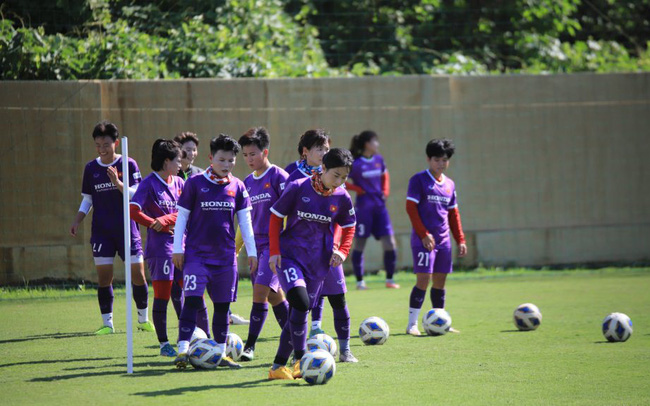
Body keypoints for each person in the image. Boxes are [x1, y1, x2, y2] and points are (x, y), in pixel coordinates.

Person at [268, 148, 357, 380]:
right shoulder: (298, 187)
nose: (339, 181)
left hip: (319, 264)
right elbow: (275, 217)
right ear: (323, 168)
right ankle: (300, 359)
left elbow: (349, 226)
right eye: (336, 175)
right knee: (300, 301)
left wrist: (343, 251)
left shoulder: (341, 197)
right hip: (290, 257)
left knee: (299, 313)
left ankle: (277, 367)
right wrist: (274, 252)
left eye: (344, 177)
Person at [171, 134, 257, 369]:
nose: (226, 165)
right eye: (222, 160)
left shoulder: (238, 186)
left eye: (231, 160)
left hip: (226, 259)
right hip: (196, 256)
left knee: (222, 307)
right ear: (211, 158)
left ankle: (219, 354)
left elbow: (245, 223)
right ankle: (182, 350)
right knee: (192, 301)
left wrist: (252, 252)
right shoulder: (194, 183)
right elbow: (181, 218)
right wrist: (178, 249)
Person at [69, 120, 154, 335]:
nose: (102, 149)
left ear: (116, 143)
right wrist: (77, 220)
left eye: (106, 144)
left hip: (127, 229)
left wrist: (118, 183)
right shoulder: (91, 168)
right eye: (98, 145)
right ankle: (107, 324)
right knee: (104, 278)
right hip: (102, 232)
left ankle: (143, 320)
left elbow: (137, 194)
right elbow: (88, 199)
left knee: (138, 275)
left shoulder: (129, 164)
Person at [129, 139, 210, 357]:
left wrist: (165, 220)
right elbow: (133, 210)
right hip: (160, 249)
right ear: (166, 162)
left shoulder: (180, 182)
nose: (181, 164)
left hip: (184, 246)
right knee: (162, 296)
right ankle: (164, 343)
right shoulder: (149, 183)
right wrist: (153, 223)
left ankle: (203, 337)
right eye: (177, 160)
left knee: (194, 293)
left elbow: (189, 210)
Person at [235, 127, 290, 361]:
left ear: (265, 152)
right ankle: (296, 340)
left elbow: (290, 213)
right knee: (275, 296)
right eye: (245, 155)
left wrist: (285, 243)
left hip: (275, 246)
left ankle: (249, 346)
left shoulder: (279, 177)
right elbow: (244, 219)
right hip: (255, 248)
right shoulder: (247, 183)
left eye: (253, 154)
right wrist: (237, 247)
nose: (249, 159)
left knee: (259, 293)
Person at [404, 139, 467, 336]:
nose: (441, 163)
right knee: (424, 279)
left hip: (444, 241)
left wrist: (460, 239)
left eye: (444, 160)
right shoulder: (418, 180)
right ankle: (412, 324)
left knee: (440, 282)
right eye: (437, 160)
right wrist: (424, 234)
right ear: (428, 159)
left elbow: (453, 215)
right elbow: (411, 208)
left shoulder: (450, 184)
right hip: (423, 240)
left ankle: (441, 322)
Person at [346, 130, 399, 290]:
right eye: (375, 141)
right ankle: (360, 282)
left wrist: (385, 191)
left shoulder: (379, 159)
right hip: (364, 209)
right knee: (360, 243)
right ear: (367, 144)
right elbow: (342, 180)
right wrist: (357, 189)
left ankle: (390, 280)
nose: (377, 144)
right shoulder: (356, 163)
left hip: (380, 208)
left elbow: (385, 176)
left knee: (390, 243)